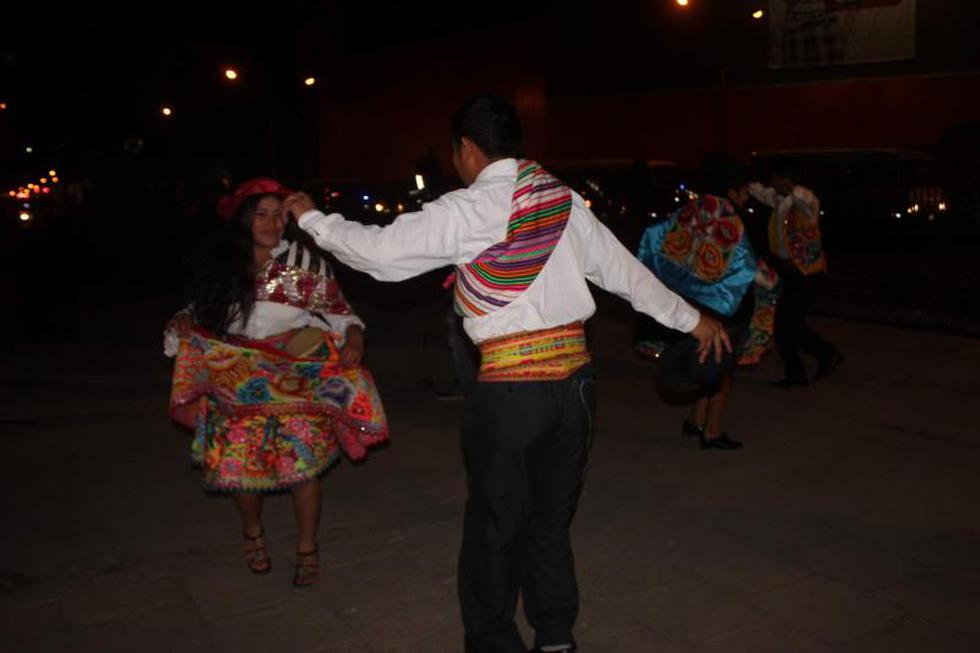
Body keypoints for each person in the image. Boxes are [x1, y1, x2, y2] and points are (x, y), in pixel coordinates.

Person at [282, 95, 729, 653]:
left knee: (496, 524)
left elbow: (376, 255)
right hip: (577, 390)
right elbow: (627, 276)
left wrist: (311, 219)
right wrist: (695, 321)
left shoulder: (465, 210)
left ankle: (495, 641)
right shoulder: (562, 200)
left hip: (511, 391)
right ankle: (556, 636)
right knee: (549, 520)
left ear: (467, 148)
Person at [164, 178, 388, 587]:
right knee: (242, 468)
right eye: (261, 215)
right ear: (243, 220)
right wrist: (181, 322)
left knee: (303, 468)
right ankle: (252, 532)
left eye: (278, 216)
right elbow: (196, 312)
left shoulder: (305, 265)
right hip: (234, 379)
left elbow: (341, 314)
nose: (271, 224)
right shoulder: (222, 269)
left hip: (294, 380)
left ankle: (307, 547)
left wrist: (354, 335)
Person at [635, 154, 758, 450]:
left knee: (703, 361)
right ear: (733, 190)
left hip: (697, 307)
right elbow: (745, 262)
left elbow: (656, 237)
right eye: (744, 191)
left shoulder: (695, 208)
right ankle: (712, 432)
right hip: (728, 307)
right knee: (722, 371)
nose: (746, 197)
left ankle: (695, 420)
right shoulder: (728, 215)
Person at [750, 161, 843, 387]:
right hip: (788, 272)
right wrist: (746, 185)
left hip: (807, 273)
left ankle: (819, 358)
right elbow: (761, 192)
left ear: (785, 180)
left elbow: (806, 198)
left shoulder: (805, 202)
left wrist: (792, 189)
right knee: (788, 323)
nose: (772, 184)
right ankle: (812, 363)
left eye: (776, 180)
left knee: (785, 324)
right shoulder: (778, 199)